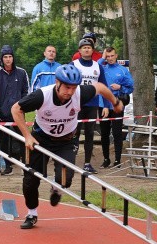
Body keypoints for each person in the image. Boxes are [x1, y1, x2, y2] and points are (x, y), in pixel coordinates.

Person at [11, 64, 123, 229]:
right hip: (41, 138)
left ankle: (57, 188)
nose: (70, 92)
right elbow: (16, 109)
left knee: (65, 177)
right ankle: (32, 213)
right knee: (31, 180)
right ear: (57, 82)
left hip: (66, 140)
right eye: (66, 87)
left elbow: (99, 87)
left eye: (73, 88)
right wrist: (27, 136)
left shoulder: (80, 93)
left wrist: (115, 102)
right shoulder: (42, 95)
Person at [72, 38, 112, 173]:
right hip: (76, 104)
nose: (87, 49)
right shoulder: (74, 64)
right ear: (79, 50)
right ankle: (70, 161)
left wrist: (106, 105)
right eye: (84, 47)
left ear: (92, 50)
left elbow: (103, 86)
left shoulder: (97, 66)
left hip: (92, 104)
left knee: (89, 134)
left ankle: (87, 163)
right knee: (74, 133)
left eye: (89, 47)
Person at [0, 45, 29, 175]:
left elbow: (26, 92)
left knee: (24, 138)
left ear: (13, 58)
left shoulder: (22, 73)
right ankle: (7, 166)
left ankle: (26, 165)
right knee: (5, 142)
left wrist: (22, 107)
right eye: (5, 57)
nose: (8, 59)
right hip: (3, 116)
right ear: (2, 59)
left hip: (18, 114)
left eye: (10, 56)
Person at [99, 46, 134, 168]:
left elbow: (131, 88)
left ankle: (117, 159)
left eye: (111, 56)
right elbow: (95, 67)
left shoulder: (123, 70)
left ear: (116, 55)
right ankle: (106, 158)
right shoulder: (102, 68)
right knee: (104, 133)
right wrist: (102, 58)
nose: (110, 59)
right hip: (103, 104)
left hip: (117, 103)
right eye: (107, 57)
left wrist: (120, 88)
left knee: (117, 132)